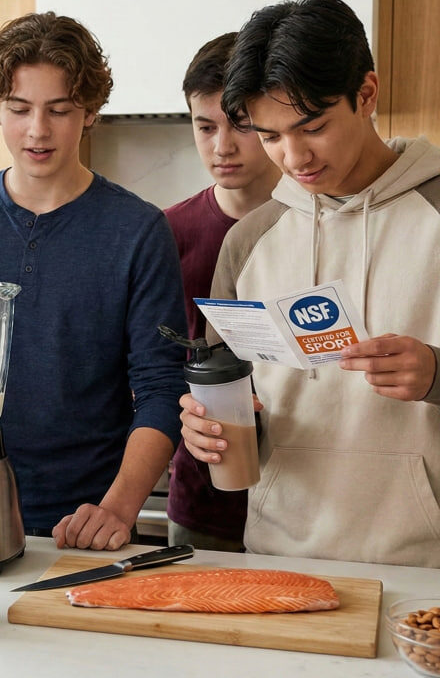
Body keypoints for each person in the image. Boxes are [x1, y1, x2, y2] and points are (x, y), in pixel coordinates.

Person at [180, 0, 440, 568]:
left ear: (366, 94)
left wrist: (437, 374)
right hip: (278, 553)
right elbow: (233, 391)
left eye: (312, 127)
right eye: (270, 136)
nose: (294, 157)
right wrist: (209, 425)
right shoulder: (249, 240)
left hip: (426, 564)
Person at [0, 12, 187, 551]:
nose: (37, 130)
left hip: (85, 524)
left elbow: (162, 388)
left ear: (89, 112)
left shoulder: (137, 230)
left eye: (59, 110)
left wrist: (118, 507)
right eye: (19, 109)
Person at [164, 33, 280, 552]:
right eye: (205, 126)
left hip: (306, 497)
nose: (221, 146)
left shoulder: (315, 225)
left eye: (240, 125)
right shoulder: (164, 233)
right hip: (201, 499)